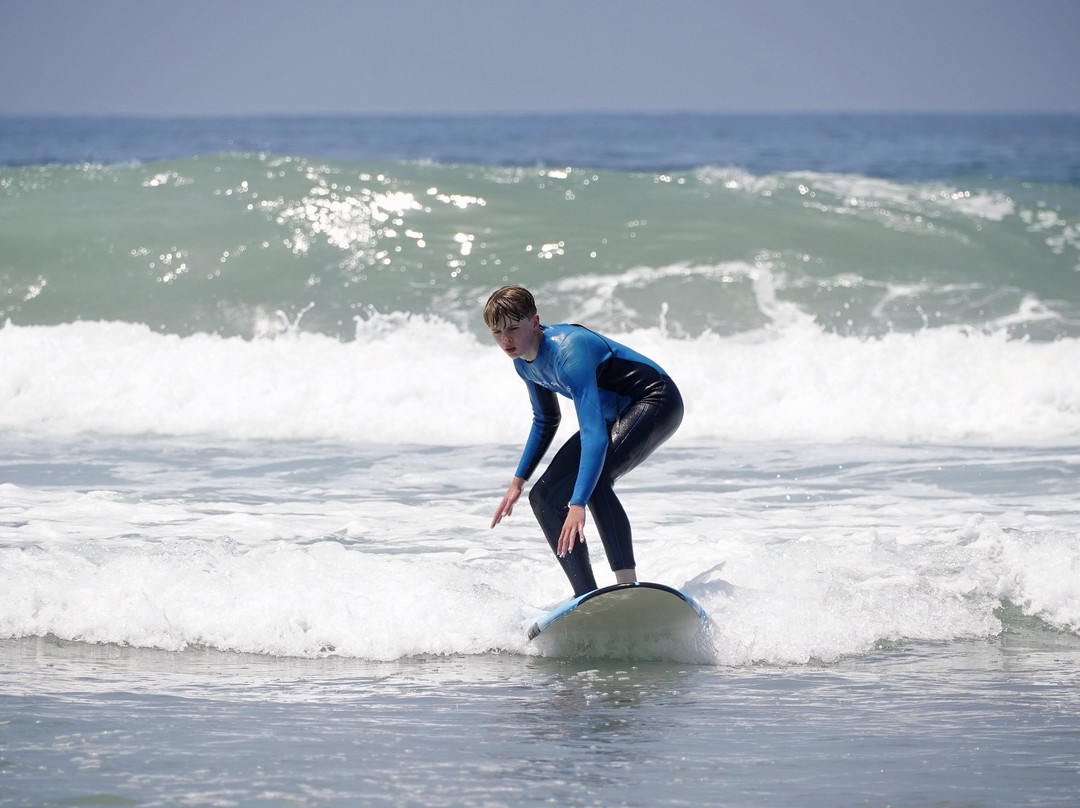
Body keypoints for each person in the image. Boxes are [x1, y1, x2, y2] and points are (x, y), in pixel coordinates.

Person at [486, 285, 684, 596]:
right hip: (612, 416)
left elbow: (593, 435)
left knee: (596, 480)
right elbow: (545, 420)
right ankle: (587, 597)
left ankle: (627, 587)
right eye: (497, 332)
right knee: (543, 497)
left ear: (535, 322)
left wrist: (578, 503)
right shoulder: (523, 362)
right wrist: (518, 481)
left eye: (513, 328)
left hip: (655, 400)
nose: (505, 339)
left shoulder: (569, 351)